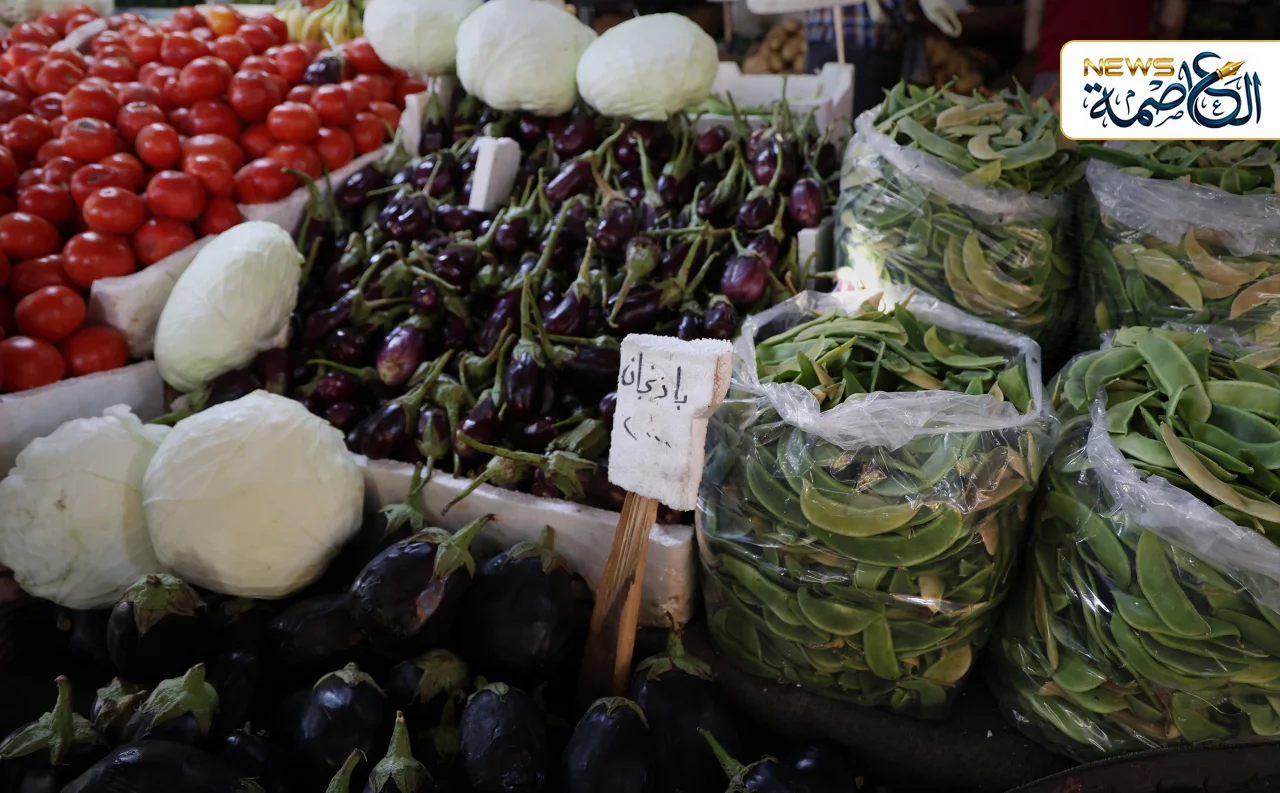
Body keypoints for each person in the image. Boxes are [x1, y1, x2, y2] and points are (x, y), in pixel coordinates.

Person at [1022, 0, 1187, 102]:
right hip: (1129, 74)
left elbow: (1031, 40)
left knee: (1044, 143)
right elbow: (1171, 20)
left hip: (1059, 73)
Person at [805, 0, 919, 116]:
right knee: (871, 120)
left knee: (821, 117)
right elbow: (903, 9)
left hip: (824, 45)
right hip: (869, 52)